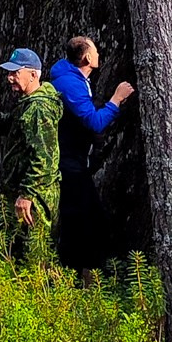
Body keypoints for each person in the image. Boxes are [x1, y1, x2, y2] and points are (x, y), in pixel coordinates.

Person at [47, 36, 134, 273]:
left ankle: (80, 273)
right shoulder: (70, 84)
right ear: (86, 58)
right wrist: (116, 99)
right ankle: (80, 276)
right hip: (69, 165)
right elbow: (94, 122)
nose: (98, 54)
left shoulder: (73, 78)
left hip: (75, 161)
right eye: (95, 51)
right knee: (84, 220)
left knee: (85, 219)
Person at [0, 48, 60, 258]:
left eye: (15, 72)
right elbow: (11, 128)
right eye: (9, 72)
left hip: (36, 197)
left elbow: (44, 158)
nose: (10, 78)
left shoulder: (38, 109)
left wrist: (27, 195)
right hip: (25, 192)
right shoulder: (28, 103)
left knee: (35, 255)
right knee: (19, 252)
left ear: (33, 75)